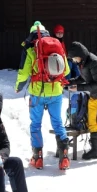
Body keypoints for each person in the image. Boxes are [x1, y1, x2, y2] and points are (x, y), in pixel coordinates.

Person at [15, 21, 71, 170]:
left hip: (37, 93)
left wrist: (18, 87)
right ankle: (64, 157)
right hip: (56, 92)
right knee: (58, 123)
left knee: (35, 125)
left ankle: (37, 158)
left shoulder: (31, 50)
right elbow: (65, 71)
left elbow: (23, 73)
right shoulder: (57, 46)